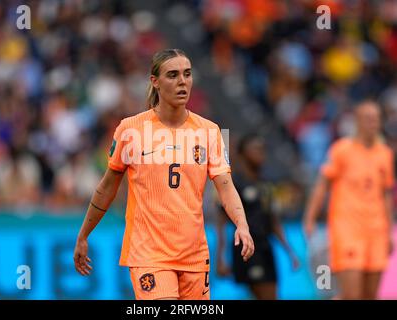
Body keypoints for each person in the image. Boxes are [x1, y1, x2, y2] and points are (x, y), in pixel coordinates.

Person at [73, 48, 255, 300]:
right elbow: (107, 186)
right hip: (150, 253)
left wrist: (242, 225)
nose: (182, 81)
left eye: (187, 74)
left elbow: (226, 186)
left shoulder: (212, 132)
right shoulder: (130, 130)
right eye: (173, 75)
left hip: (194, 254)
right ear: (155, 82)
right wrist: (83, 235)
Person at [303, 100, 395, 300]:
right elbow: (322, 186)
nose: (373, 123)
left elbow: (386, 193)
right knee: (352, 294)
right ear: (357, 121)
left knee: (370, 295)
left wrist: (388, 230)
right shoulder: (341, 150)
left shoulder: (385, 154)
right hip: (348, 229)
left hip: (376, 230)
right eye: (368, 118)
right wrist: (309, 218)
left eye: (377, 118)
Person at [216, 133, 300, 299]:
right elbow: (221, 222)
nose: (260, 153)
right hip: (247, 248)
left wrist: (289, 251)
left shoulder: (267, 185)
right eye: (255, 149)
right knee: (267, 295)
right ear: (242, 154)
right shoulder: (234, 184)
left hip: (266, 248)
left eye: (262, 149)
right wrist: (220, 258)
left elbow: (273, 220)